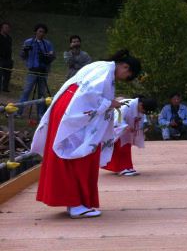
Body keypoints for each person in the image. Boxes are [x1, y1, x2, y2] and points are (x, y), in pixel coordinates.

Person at [31, 51, 142, 218]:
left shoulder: (100, 66)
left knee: (75, 153)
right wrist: (109, 103)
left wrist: (107, 103)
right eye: (127, 75)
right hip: (75, 112)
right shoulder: (105, 71)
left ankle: (75, 202)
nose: (123, 78)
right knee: (79, 154)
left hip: (70, 109)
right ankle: (76, 203)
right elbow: (88, 95)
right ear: (125, 66)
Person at [102, 96, 157, 176]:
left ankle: (127, 167)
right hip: (117, 129)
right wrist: (125, 126)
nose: (143, 112)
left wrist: (138, 128)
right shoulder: (125, 107)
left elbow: (140, 120)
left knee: (126, 147)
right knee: (119, 148)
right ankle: (121, 168)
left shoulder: (138, 106)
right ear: (141, 105)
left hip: (126, 130)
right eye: (144, 110)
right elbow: (116, 119)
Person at [19, 23, 55, 117]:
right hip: (32, 70)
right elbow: (22, 56)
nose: (41, 33)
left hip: (43, 71)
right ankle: (18, 112)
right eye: (40, 31)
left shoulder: (48, 44)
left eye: (43, 32)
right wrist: (25, 51)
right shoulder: (28, 42)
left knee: (42, 93)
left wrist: (48, 55)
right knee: (26, 91)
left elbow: (52, 56)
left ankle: (41, 114)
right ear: (36, 31)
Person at [0, 22, 13, 92]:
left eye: (8, 28)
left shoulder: (9, 38)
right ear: (1, 28)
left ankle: (5, 88)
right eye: (6, 27)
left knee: (7, 75)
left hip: (8, 59)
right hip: (0, 58)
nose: (8, 29)